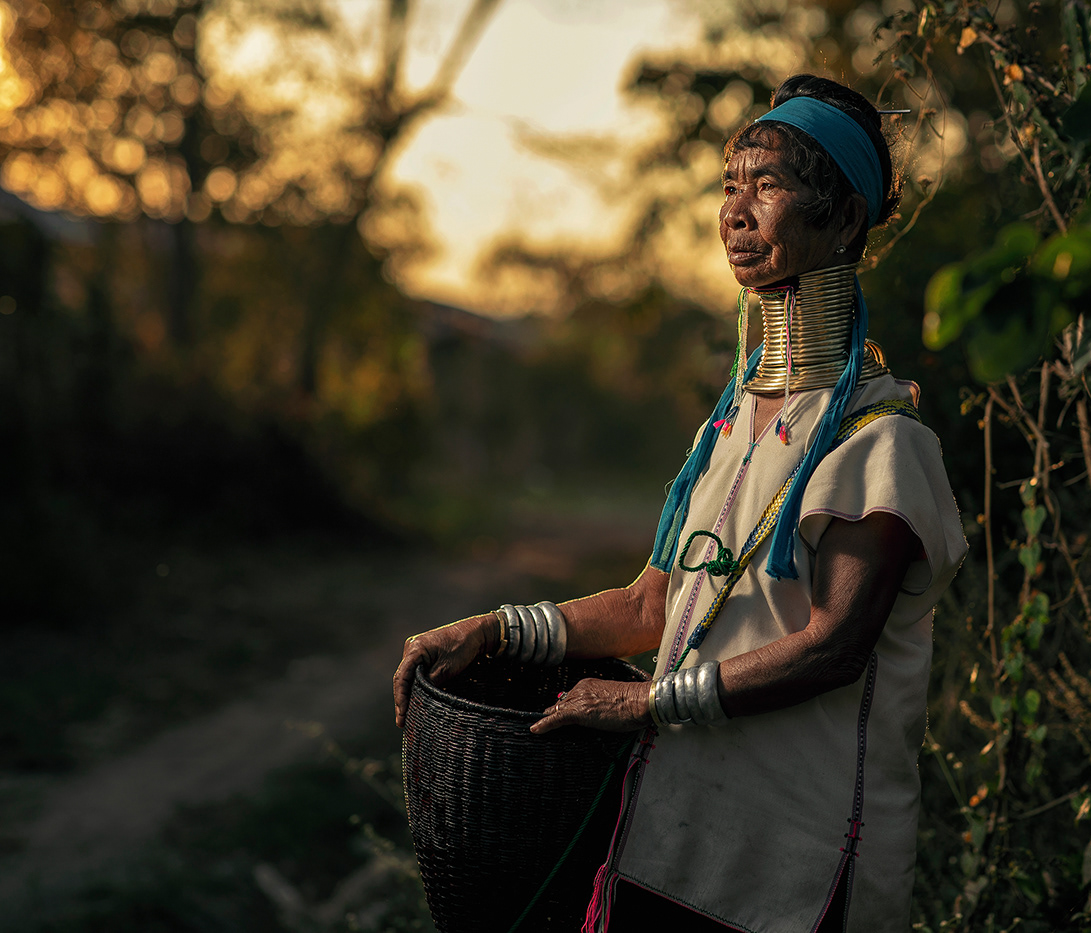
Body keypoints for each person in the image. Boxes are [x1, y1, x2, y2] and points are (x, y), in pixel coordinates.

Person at [393, 74, 966, 933]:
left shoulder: (881, 444)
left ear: (845, 219)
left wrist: (643, 702)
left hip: (798, 871)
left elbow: (834, 648)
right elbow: (651, 607)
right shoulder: (731, 425)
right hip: (673, 841)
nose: (736, 211)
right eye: (730, 185)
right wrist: (497, 627)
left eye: (767, 185)